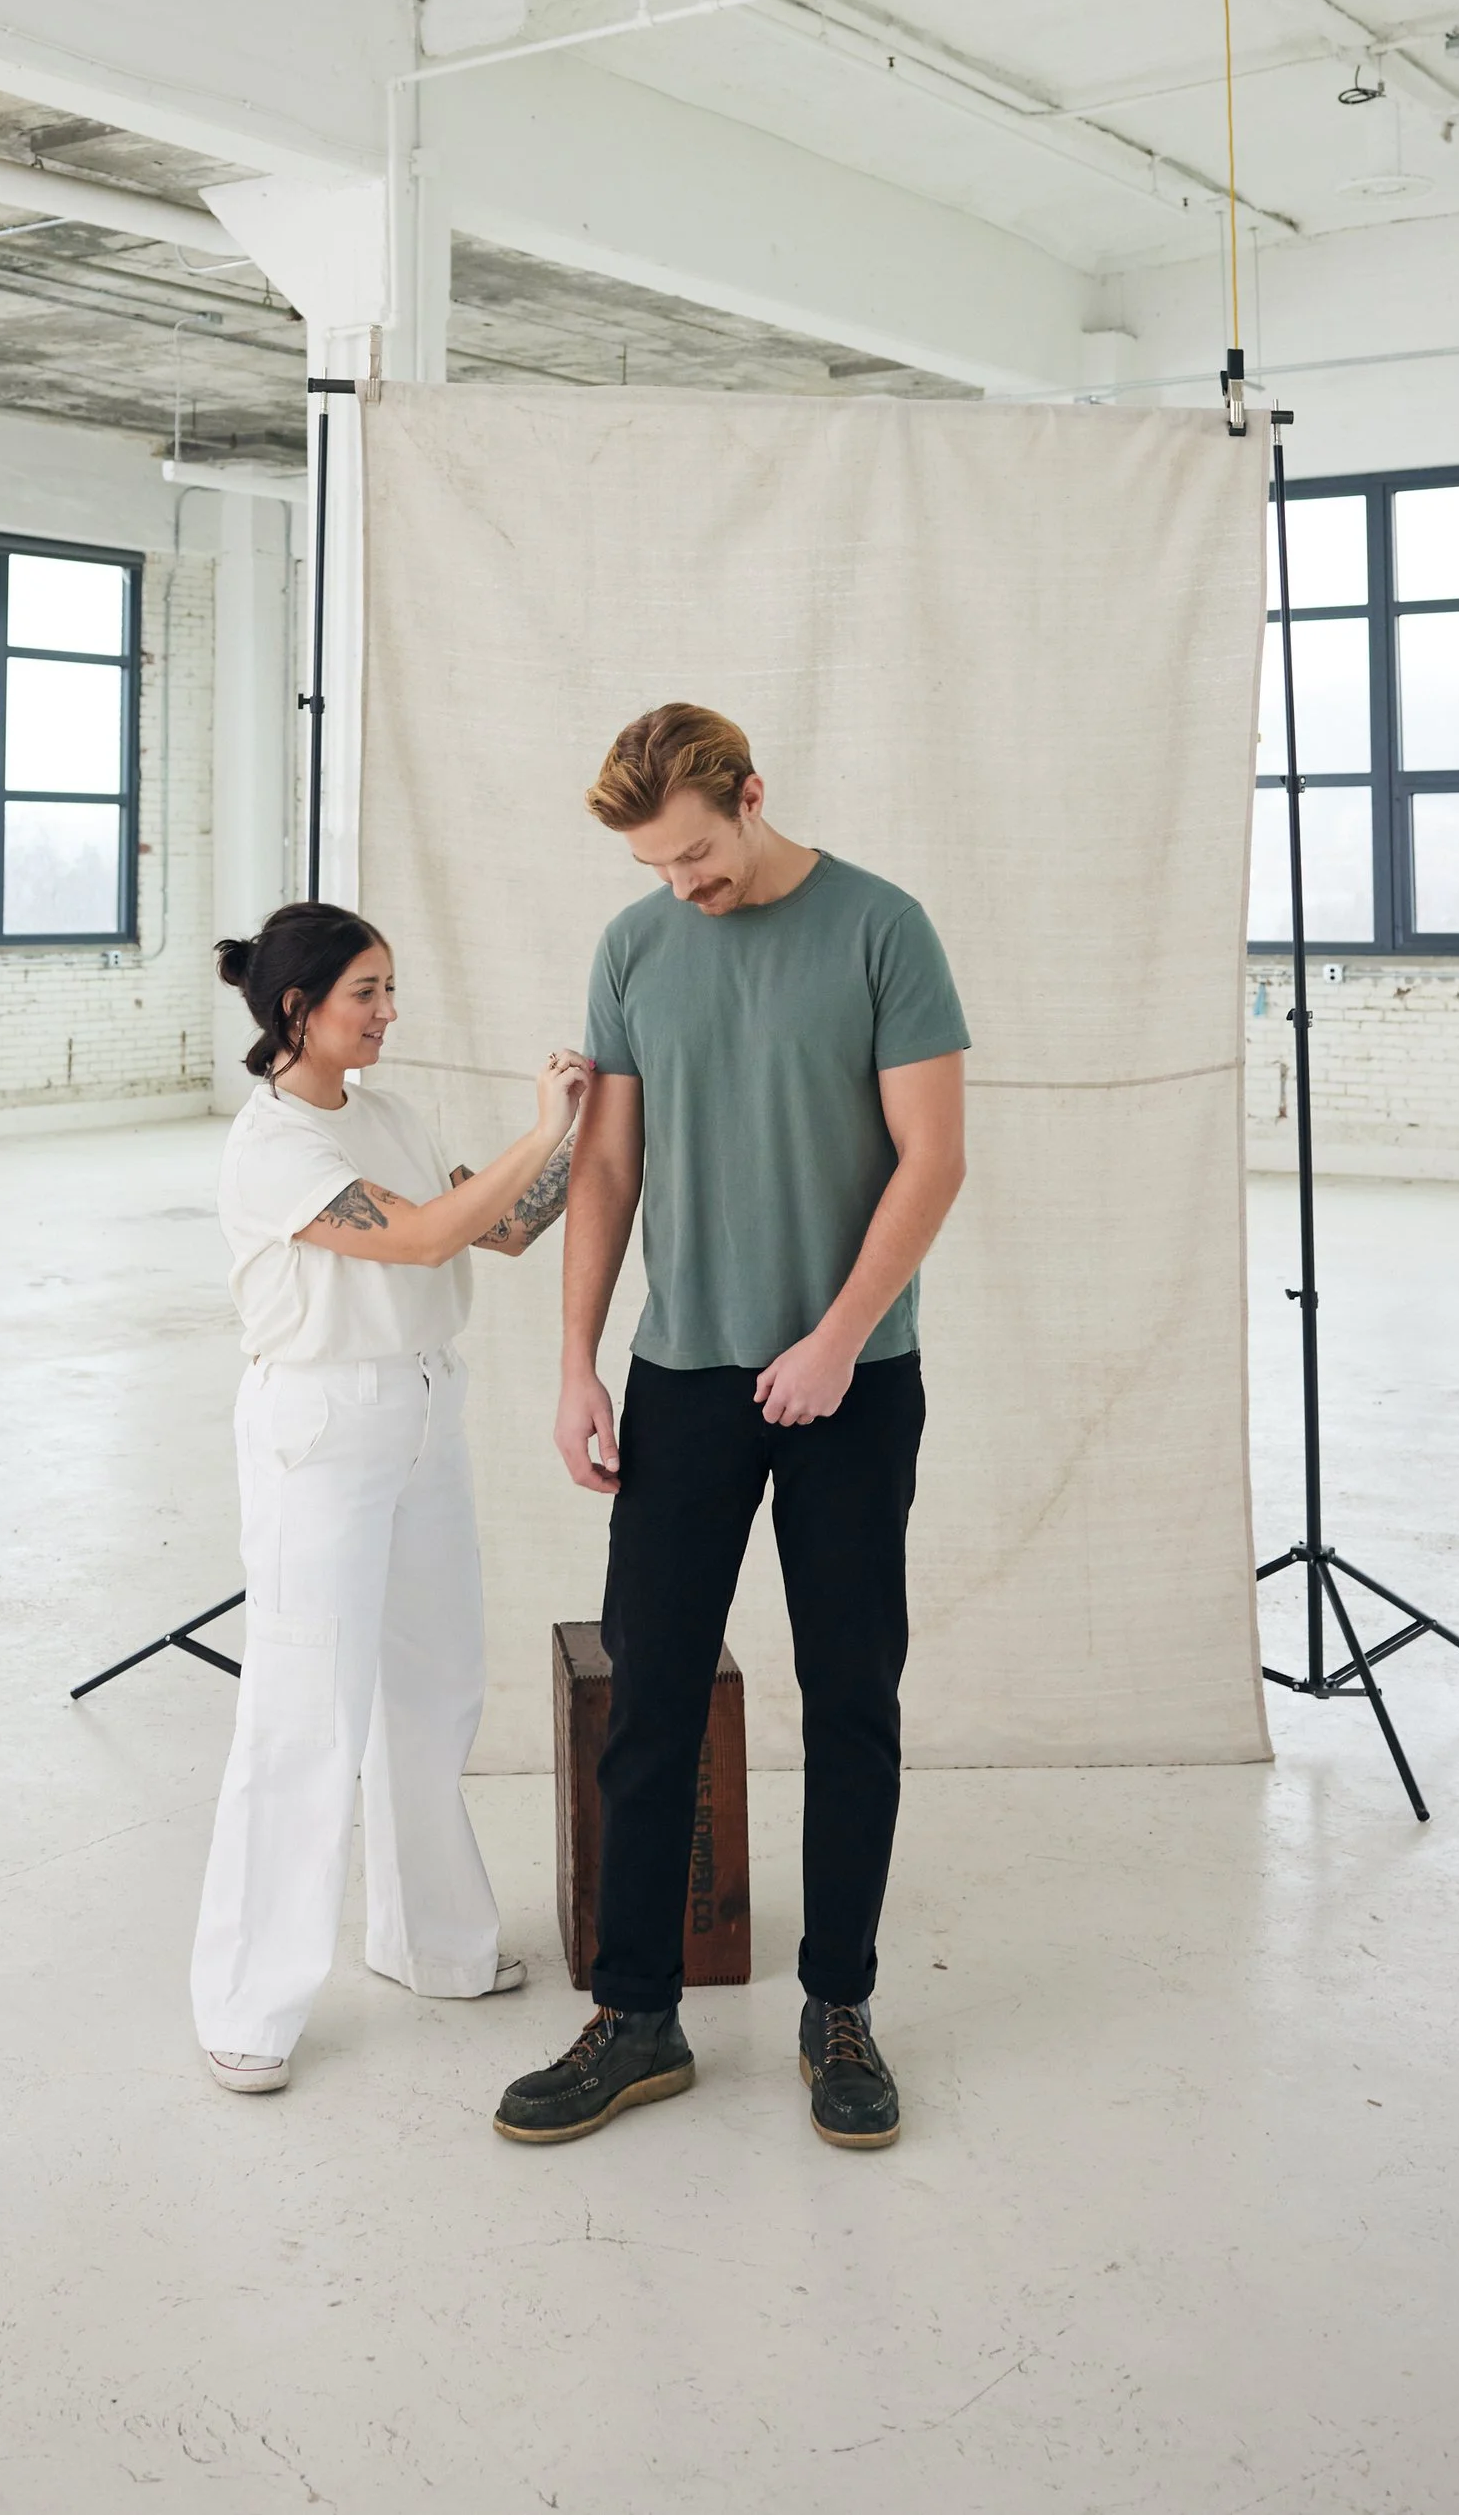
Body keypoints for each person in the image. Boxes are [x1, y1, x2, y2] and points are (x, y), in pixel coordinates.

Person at [494, 706, 967, 2155]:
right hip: (684, 1376)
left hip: (851, 1376)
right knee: (651, 1697)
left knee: (850, 1699)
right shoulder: (636, 947)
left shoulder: (885, 928)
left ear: (754, 797)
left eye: (698, 854)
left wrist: (834, 1338)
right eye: (658, 867)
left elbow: (933, 1159)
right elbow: (611, 1161)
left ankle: (840, 2010)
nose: (683, 886)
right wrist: (576, 1361)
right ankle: (637, 2017)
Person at [192, 899, 590, 2094]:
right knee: (306, 1711)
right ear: (296, 1009)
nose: (387, 1011)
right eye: (366, 990)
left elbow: (503, 1230)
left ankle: (435, 1943)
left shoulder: (391, 1115)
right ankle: (248, 2003)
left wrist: (584, 1135)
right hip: (322, 1424)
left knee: (433, 1687)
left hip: (425, 1410)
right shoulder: (273, 1147)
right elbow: (420, 1241)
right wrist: (543, 1123)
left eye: (389, 986)